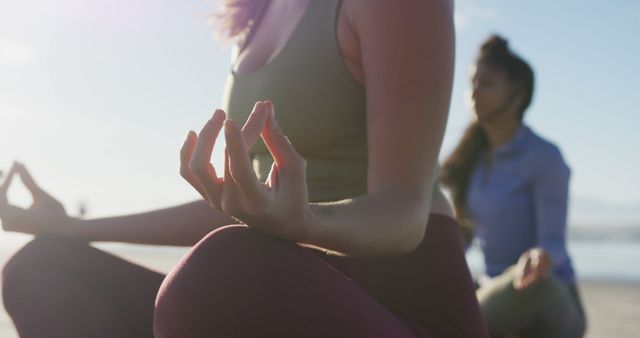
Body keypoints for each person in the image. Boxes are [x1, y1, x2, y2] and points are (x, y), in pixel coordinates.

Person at [0, 1, 488, 337]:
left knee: (215, 273)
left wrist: (306, 223)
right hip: (264, 290)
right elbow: (242, 210)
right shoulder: (257, 16)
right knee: (40, 265)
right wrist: (70, 227)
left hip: (401, 310)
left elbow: (405, 213)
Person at [440, 35, 586, 338]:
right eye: (472, 83)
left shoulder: (544, 157)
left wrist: (539, 257)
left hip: (548, 295)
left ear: (518, 94)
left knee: (513, 293)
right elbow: (459, 243)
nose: (473, 94)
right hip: (494, 289)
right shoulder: (472, 161)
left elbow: (553, 244)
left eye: (487, 84)